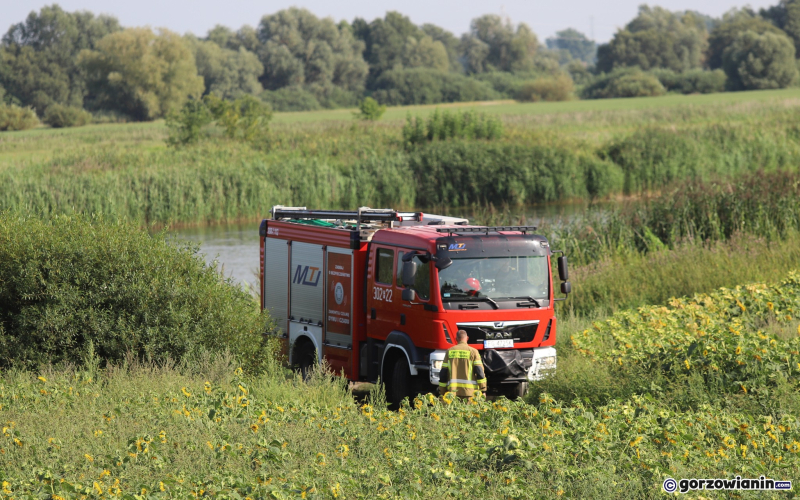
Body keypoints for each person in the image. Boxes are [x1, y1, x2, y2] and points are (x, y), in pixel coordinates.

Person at [438, 330, 487, 398]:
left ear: (456, 339)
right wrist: (483, 389)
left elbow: (443, 373)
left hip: (452, 393)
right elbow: (479, 372)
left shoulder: (449, 351)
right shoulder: (473, 352)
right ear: (467, 338)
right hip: (470, 393)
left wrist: (442, 391)